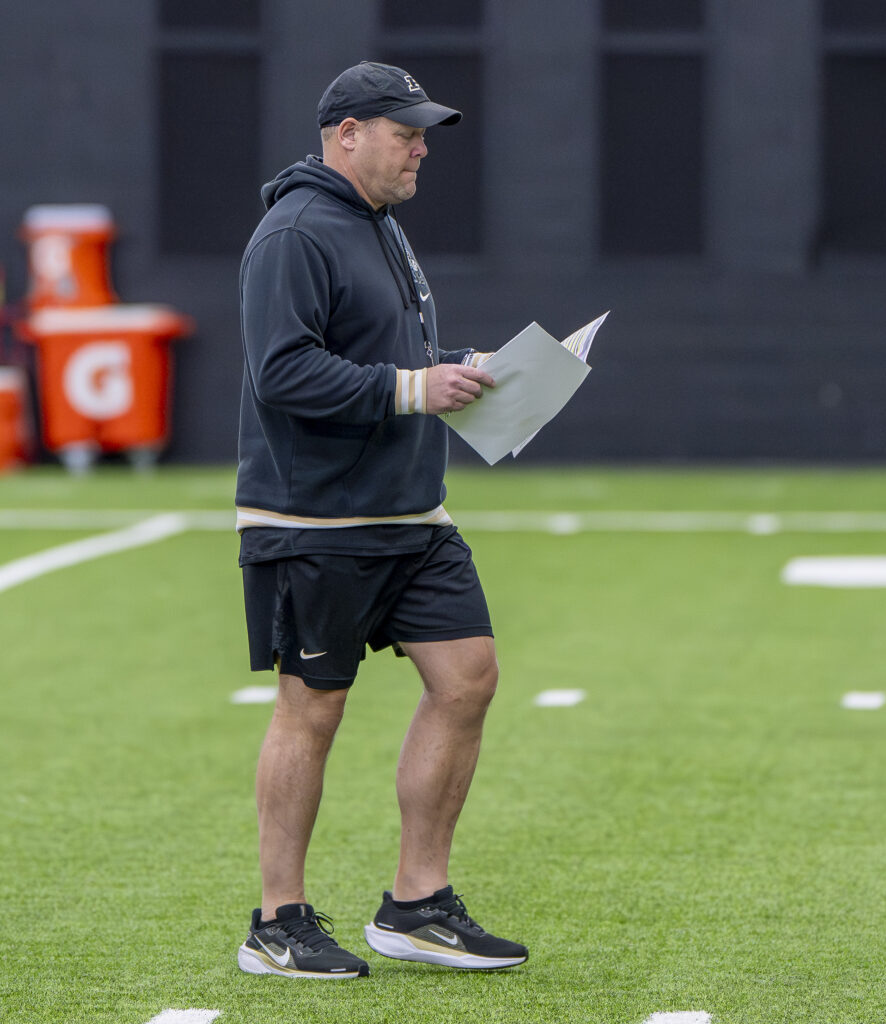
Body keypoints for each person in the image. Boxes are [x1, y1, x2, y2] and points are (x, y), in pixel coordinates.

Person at [235, 60, 528, 979]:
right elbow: (282, 370)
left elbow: (384, 354)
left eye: (422, 134)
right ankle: (277, 924)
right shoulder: (293, 231)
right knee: (312, 709)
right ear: (347, 134)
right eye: (406, 134)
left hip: (413, 515)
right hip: (314, 521)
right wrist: (412, 387)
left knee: (468, 679)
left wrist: (457, 369)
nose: (421, 149)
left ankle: (416, 904)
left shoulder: (378, 224)